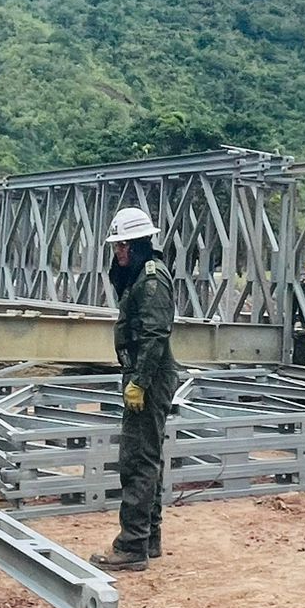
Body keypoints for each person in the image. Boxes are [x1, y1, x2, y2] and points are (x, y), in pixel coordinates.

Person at [89, 206, 177, 572]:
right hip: (147, 373)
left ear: (132, 245)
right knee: (148, 456)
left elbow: (156, 334)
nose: (116, 254)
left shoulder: (152, 280)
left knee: (137, 459)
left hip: (149, 376)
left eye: (119, 247)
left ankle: (132, 545)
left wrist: (139, 383)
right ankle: (149, 537)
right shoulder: (141, 274)